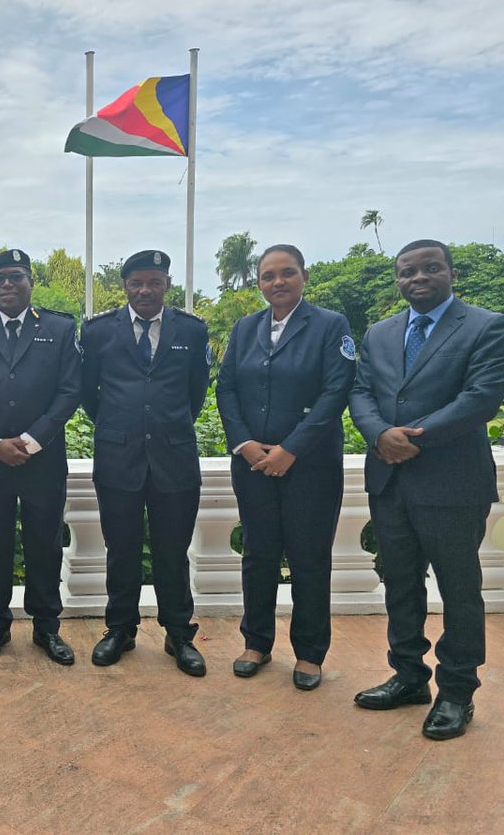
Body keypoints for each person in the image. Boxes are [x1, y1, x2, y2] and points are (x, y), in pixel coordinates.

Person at [350, 239, 504, 740]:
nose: (418, 278)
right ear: (397, 279)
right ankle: (408, 676)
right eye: (407, 272)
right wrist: (379, 434)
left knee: (459, 590)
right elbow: (359, 391)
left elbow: (480, 399)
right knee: (399, 583)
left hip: (451, 482)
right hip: (388, 478)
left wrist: (410, 438)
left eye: (430, 268)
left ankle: (457, 692)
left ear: (451, 273)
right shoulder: (380, 333)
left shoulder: (488, 327)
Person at [216, 245, 356, 690]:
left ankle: (310, 653)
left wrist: (290, 449)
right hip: (253, 463)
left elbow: (337, 392)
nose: (277, 282)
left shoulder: (331, 325)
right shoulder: (244, 328)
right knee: (257, 555)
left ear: (304, 276)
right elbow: (227, 389)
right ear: (258, 282)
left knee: (309, 557)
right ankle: (256, 642)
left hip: (310, 465)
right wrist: (244, 444)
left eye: (287, 273)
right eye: (267, 275)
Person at [80, 250, 211, 676]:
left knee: (174, 552)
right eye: (136, 283)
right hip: (118, 458)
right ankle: (120, 629)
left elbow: (196, 394)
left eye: (153, 282)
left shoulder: (191, 331)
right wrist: (123, 426)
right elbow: (88, 395)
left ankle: (178, 634)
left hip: (174, 459)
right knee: (121, 550)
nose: (145, 290)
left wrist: (162, 428)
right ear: (125, 287)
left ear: (167, 284)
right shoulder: (98, 331)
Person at [0, 248, 81, 665]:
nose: (7, 284)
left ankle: (47, 628)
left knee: (45, 544)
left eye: (16, 277)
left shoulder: (59, 329)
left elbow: (68, 392)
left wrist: (31, 439)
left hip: (41, 460)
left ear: (30, 283)